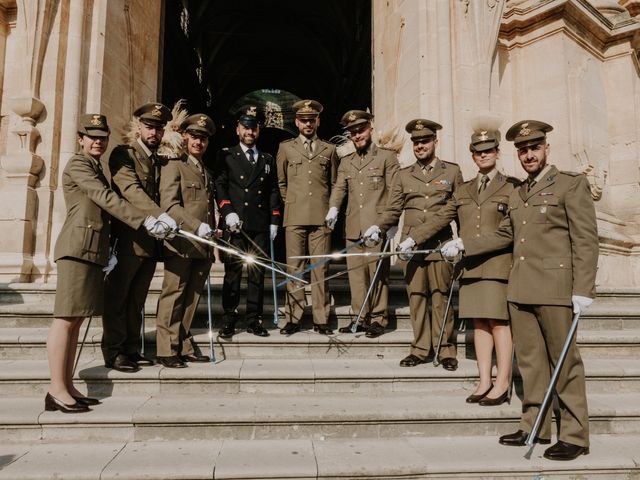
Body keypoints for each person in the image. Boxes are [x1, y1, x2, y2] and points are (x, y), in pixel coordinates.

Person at [442, 120, 598, 461]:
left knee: (565, 363)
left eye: (534, 147)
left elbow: (585, 240)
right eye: (523, 150)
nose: (529, 154)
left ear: (546, 148)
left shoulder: (570, 185)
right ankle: (535, 425)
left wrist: (583, 288)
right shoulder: (518, 191)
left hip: (557, 290)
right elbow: (505, 235)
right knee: (530, 364)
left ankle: (574, 435)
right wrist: (463, 244)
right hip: (521, 289)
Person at [48, 114, 169, 412]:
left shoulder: (96, 167)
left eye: (102, 136)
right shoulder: (79, 164)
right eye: (92, 136)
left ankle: (68, 385)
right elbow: (103, 198)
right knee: (65, 320)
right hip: (76, 249)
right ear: (80, 138)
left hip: (92, 250)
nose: (98, 141)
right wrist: (144, 221)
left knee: (76, 321)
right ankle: (55, 389)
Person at [405, 127, 516, 404]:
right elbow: (442, 216)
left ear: (497, 152)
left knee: (499, 324)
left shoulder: (512, 186)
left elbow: (509, 231)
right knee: (479, 324)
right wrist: (411, 239)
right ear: (472, 155)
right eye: (478, 152)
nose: (483, 155)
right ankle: (484, 381)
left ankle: (502, 383)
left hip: (497, 266)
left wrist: (465, 243)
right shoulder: (464, 188)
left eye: (488, 150)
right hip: (470, 268)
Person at [367, 118, 463, 370]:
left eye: (425, 141)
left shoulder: (452, 171)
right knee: (417, 297)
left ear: (435, 142)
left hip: (439, 245)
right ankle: (420, 349)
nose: (420, 146)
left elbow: (459, 210)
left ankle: (445, 350)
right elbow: (394, 208)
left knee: (441, 297)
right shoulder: (403, 175)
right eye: (416, 142)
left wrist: (464, 243)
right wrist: (378, 225)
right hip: (410, 248)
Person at [101, 102, 177, 372]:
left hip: (151, 241)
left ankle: (132, 348)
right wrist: (160, 215)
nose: (154, 133)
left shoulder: (160, 160)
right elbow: (130, 189)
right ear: (139, 128)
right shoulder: (124, 155)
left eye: (158, 128)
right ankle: (114, 351)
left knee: (137, 299)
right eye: (149, 127)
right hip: (128, 238)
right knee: (118, 297)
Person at [325, 109, 399, 338]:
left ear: (370, 129)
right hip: (354, 227)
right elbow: (339, 187)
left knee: (377, 275)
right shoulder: (347, 161)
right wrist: (333, 208)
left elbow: (396, 193)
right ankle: (359, 317)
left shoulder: (386, 157)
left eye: (360, 130)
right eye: (353, 133)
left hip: (376, 227)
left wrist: (387, 224)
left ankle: (378, 318)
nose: (357, 135)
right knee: (356, 275)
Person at [214, 105, 281, 338]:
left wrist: (274, 219)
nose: (250, 132)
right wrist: (227, 212)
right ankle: (229, 318)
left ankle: (254, 319)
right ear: (238, 129)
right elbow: (220, 185)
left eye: (254, 128)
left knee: (257, 274)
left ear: (258, 131)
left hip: (259, 224)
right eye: (245, 128)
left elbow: (273, 189)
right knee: (232, 273)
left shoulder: (267, 158)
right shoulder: (226, 155)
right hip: (235, 223)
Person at [156, 114, 217, 368]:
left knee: (191, 298)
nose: (198, 142)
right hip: (181, 241)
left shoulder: (206, 171)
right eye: (194, 137)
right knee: (174, 294)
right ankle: (166, 348)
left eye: (203, 139)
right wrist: (196, 226)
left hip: (202, 245)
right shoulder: (174, 165)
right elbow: (169, 205)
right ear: (185, 137)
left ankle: (183, 343)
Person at [276, 99, 339, 335]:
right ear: (297, 122)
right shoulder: (286, 148)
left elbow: (334, 183)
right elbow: (282, 183)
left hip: (321, 216)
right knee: (294, 268)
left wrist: (331, 209)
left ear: (318, 121)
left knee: (320, 268)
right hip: (294, 216)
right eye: (304, 120)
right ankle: (293, 316)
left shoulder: (329, 149)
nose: (308, 124)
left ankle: (321, 318)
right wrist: (291, 203)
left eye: (312, 120)